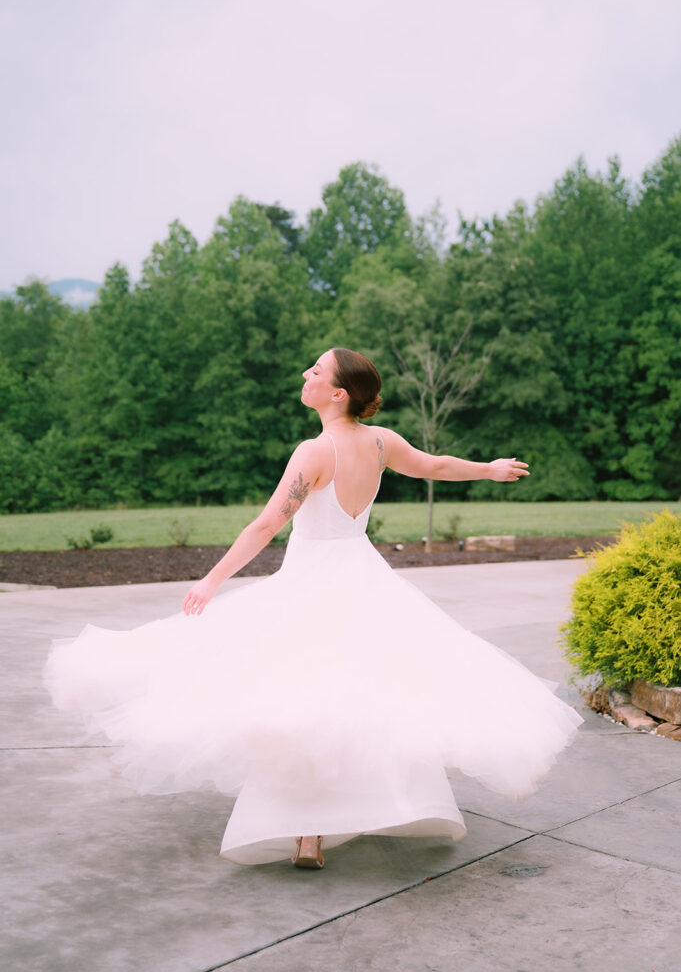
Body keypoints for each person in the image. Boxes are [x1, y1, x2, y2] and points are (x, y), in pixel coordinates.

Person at [44, 347, 583, 870]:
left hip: (313, 582)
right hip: (364, 579)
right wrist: (488, 469)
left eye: (317, 370)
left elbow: (266, 526)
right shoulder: (379, 443)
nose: (306, 374)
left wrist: (211, 580)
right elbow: (435, 465)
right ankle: (365, 811)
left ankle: (309, 834)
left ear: (337, 393)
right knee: (360, 694)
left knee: (304, 697)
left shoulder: (314, 451)